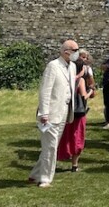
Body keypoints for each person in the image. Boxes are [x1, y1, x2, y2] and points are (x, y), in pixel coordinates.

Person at [28, 39, 78, 188]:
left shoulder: (73, 66)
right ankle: (45, 178)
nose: (77, 53)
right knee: (50, 147)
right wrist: (44, 113)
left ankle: (35, 174)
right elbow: (45, 91)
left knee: (52, 145)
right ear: (66, 51)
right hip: (51, 113)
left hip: (64, 111)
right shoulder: (53, 66)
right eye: (75, 50)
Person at [57, 56, 95, 171]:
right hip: (78, 114)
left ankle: (57, 158)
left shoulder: (66, 79)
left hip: (66, 111)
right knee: (77, 137)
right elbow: (83, 96)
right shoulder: (80, 80)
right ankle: (74, 165)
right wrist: (91, 91)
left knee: (65, 136)